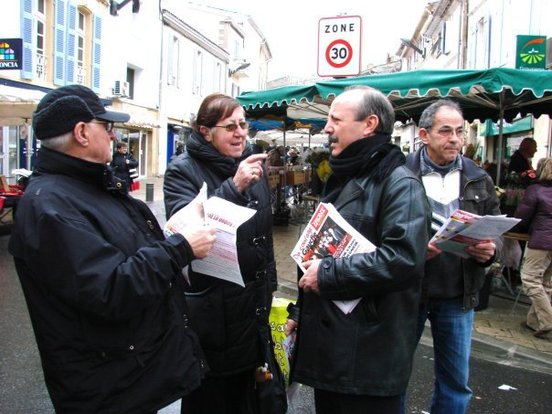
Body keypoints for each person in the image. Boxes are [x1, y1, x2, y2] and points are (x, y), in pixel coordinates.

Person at [8, 84, 216, 413]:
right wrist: (180, 248)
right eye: (107, 127)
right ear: (81, 133)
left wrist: (172, 235)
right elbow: (111, 289)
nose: (114, 137)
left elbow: (123, 251)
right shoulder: (49, 206)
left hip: (140, 374)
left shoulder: (88, 185)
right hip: (116, 390)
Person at [285, 85, 431, 414]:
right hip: (335, 352)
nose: (327, 127)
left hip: (368, 357)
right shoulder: (345, 175)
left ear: (369, 124)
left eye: (336, 119)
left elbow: (403, 259)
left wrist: (327, 274)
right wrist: (300, 313)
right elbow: (317, 254)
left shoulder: (399, 183)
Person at [163, 93, 280, 413]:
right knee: (212, 400)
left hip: (253, 310)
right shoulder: (182, 171)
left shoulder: (252, 165)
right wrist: (234, 187)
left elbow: (263, 237)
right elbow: (186, 234)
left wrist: (269, 285)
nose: (241, 133)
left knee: (250, 399)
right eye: (230, 127)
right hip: (213, 315)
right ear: (205, 131)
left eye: (244, 125)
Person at [404, 99, 501, 413]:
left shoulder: (479, 177)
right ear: (423, 134)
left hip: (458, 293)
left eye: (460, 132)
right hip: (408, 289)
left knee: (456, 383)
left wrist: (490, 251)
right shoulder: (399, 174)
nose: (456, 139)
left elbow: (494, 229)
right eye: (446, 131)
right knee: (394, 375)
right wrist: (413, 250)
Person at [515, 157, 552, 339]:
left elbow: (522, 216)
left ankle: (548, 320)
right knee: (545, 282)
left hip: (541, 241)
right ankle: (533, 321)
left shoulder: (535, 190)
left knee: (529, 279)